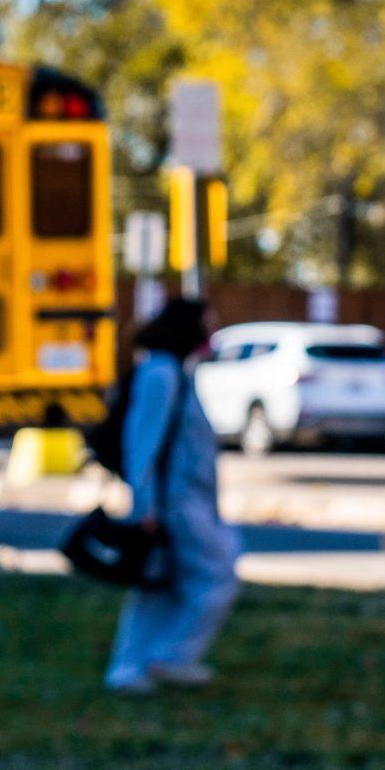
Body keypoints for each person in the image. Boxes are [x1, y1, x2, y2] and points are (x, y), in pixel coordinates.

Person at [106, 297, 242, 696]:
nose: (210, 332)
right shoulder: (161, 375)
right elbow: (142, 443)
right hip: (174, 502)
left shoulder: (173, 372)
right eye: (207, 322)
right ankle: (171, 656)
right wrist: (143, 504)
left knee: (159, 585)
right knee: (216, 575)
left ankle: (132, 668)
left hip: (183, 500)